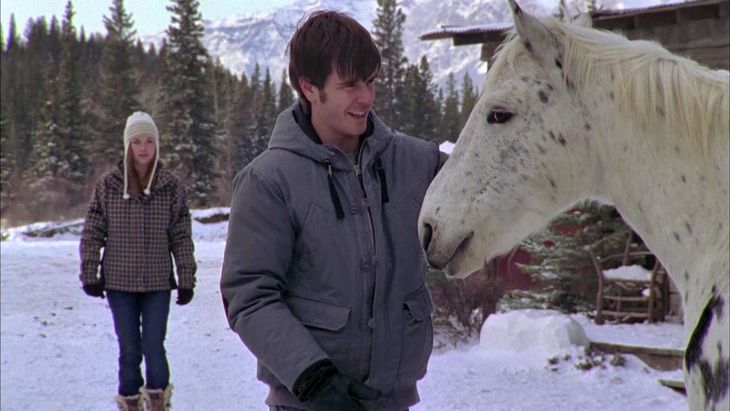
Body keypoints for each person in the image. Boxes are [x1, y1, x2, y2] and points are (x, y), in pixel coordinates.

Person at [220, 10, 446, 411]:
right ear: (309, 87)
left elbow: (490, 192)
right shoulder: (267, 181)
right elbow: (249, 295)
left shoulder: (418, 162)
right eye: (349, 85)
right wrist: (314, 377)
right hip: (307, 402)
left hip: (392, 401)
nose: (366, 97)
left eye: (370, 81)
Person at [79, 111, 196, 411]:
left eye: (149, 141)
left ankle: (158, 401)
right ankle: (130, 402)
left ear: (157, 145)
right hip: (119, 283)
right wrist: (90, 272)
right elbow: (93, 231)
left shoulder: (170, 186)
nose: (143, 148)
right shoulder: (108, 185)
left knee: (154, 347)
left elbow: (181, 234)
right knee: (130, 350)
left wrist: (186, 278)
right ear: (127, 145)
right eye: (136, 142)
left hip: (157, 283)